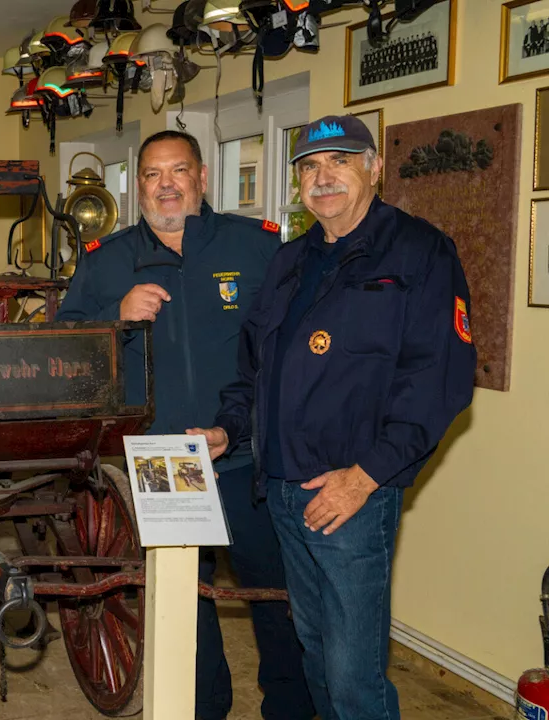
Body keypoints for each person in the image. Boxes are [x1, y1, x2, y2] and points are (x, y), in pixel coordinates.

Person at [190, 115, 476, 719]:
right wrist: (228, 429)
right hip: (285, 491)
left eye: (340, 162)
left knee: (353, 674)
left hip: (351, 495)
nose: (324, 178)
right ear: (298, 184)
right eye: (311, 167)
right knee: (315, 652)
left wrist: (365, 475)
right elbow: (255, 368)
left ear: (375, 168)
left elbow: (439, 382)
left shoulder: (421, 252)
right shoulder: (290, 260)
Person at [59, 130, 314, 720]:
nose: (166, 184)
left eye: (178, 171)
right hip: (161, 459)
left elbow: (292, 350)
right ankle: (205, 708)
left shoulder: (258, 249)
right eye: (152, 174)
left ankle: (292, 709)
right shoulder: (107, 262)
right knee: (183, 605)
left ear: (202, 178)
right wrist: (115, 316)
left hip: (248, 457)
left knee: (276, 598)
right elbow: (67, 349)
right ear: (138, 185)